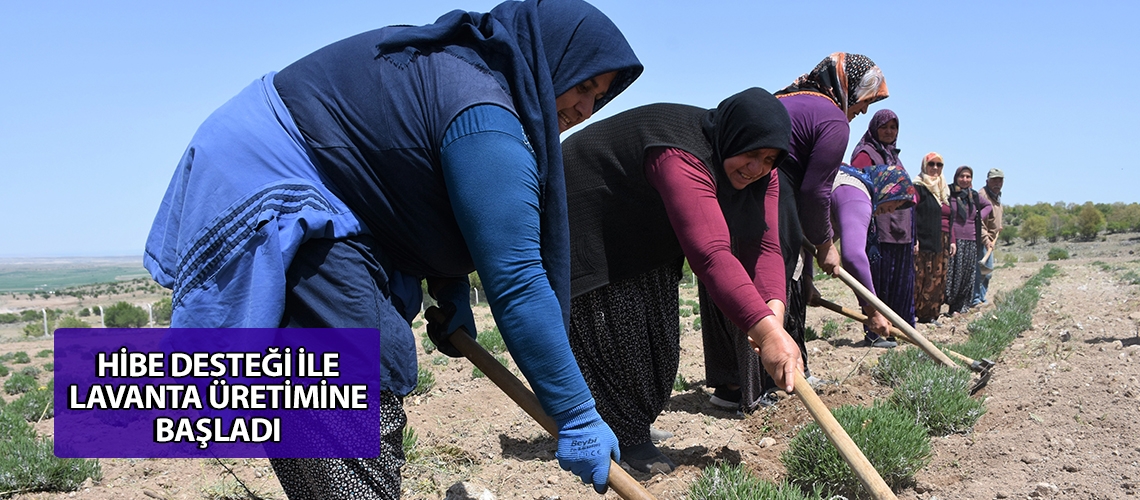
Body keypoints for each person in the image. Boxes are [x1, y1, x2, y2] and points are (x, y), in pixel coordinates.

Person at [142, 1, 643, 497]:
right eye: (582, 86)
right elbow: (516, 280)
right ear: (550, 59)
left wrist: (448, 291)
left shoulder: (480, 83)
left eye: (599, 97)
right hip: (271, 170)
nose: (585, 108)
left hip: (333, 185)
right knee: (354, 359)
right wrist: (576, 413)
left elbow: (420, 190)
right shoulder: (483, 112)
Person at [562, 87, 802, 473]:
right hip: (590, 206)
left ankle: (632, 419)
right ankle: (626, 436)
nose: (757, 167)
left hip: (647, 222)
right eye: (752, 154)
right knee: (613, 328)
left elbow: (766, 249)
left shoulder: (765, 175)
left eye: (770, 159)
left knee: (658, 339)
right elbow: (711, 254)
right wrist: (769, 335)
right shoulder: (680, 152)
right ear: (733, 137)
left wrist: (772, 313)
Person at [724, 52, 887, 400]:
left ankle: (732, 387)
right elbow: (815, 193)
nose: (862, 111)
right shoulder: (833, 120)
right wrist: (827, 245)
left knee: (739, 276)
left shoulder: (790, 97)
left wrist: (810, 275)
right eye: (863, 101)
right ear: (848, 88)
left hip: (741, 188)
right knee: (776, 282)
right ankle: (775, 384)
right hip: (773, 192)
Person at [831, 164, 916, 346]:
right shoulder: (857, 197)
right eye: (896, 202)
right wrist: (873, 311)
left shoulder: (854, 186)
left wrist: (807, 279)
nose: (892, 210)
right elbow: (853, 256)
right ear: (888, 188)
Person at [850, 109, 916, 333]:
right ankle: (875, 331)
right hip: (879, 228)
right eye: (884, 127)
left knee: (899, 283)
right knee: (879, 281)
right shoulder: (865, 154)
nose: (889, 131)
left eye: (893, 127)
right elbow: (857, 187)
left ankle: (898, 331)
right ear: (874, 128)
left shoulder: (895, 157)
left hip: (901, 230)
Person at [944, 166, 992, 316]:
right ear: (956, 177)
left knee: (967, 275)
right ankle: (944, 305)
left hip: (971, 240)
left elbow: (988, 206)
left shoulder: (974, 196)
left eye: (968, 177)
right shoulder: (948, 192)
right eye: (962, 176)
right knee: (951, 275)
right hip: (953, 240)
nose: (965, 180)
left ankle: (959, 308)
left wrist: (978, 216)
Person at [913, 153, 952, 324]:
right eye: (931, 164)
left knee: (937, 279)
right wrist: (914, 237)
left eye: (939, 165)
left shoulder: (944, 191)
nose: (935, 168)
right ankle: (911, 313)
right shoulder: (918, 187)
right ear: (924, 166)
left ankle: (929, 315)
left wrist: (952, 240)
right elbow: (911, 214)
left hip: (940, 241)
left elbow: (951, 219)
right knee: (919, 278)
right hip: (922, 240)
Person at [973, 168, 1005, 306]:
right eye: (994, 180)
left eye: (1000, 180)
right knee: (981, 271)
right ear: (987, 181)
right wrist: (986, 240)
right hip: (981, 240)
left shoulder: (996, 197)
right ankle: (975, 299)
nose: (997, 183)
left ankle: (981, 298)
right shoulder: (983, 196)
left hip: (990, 239)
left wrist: (998, 227)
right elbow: (978, 221)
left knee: (987, 272)